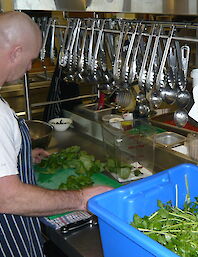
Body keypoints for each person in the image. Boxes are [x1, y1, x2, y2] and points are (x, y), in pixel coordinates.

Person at [0, 11, 113, 257]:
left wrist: (20, 159)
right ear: (16, 51)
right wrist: (81, 198)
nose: (29, 67)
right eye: (30, 59)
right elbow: (8, 198)